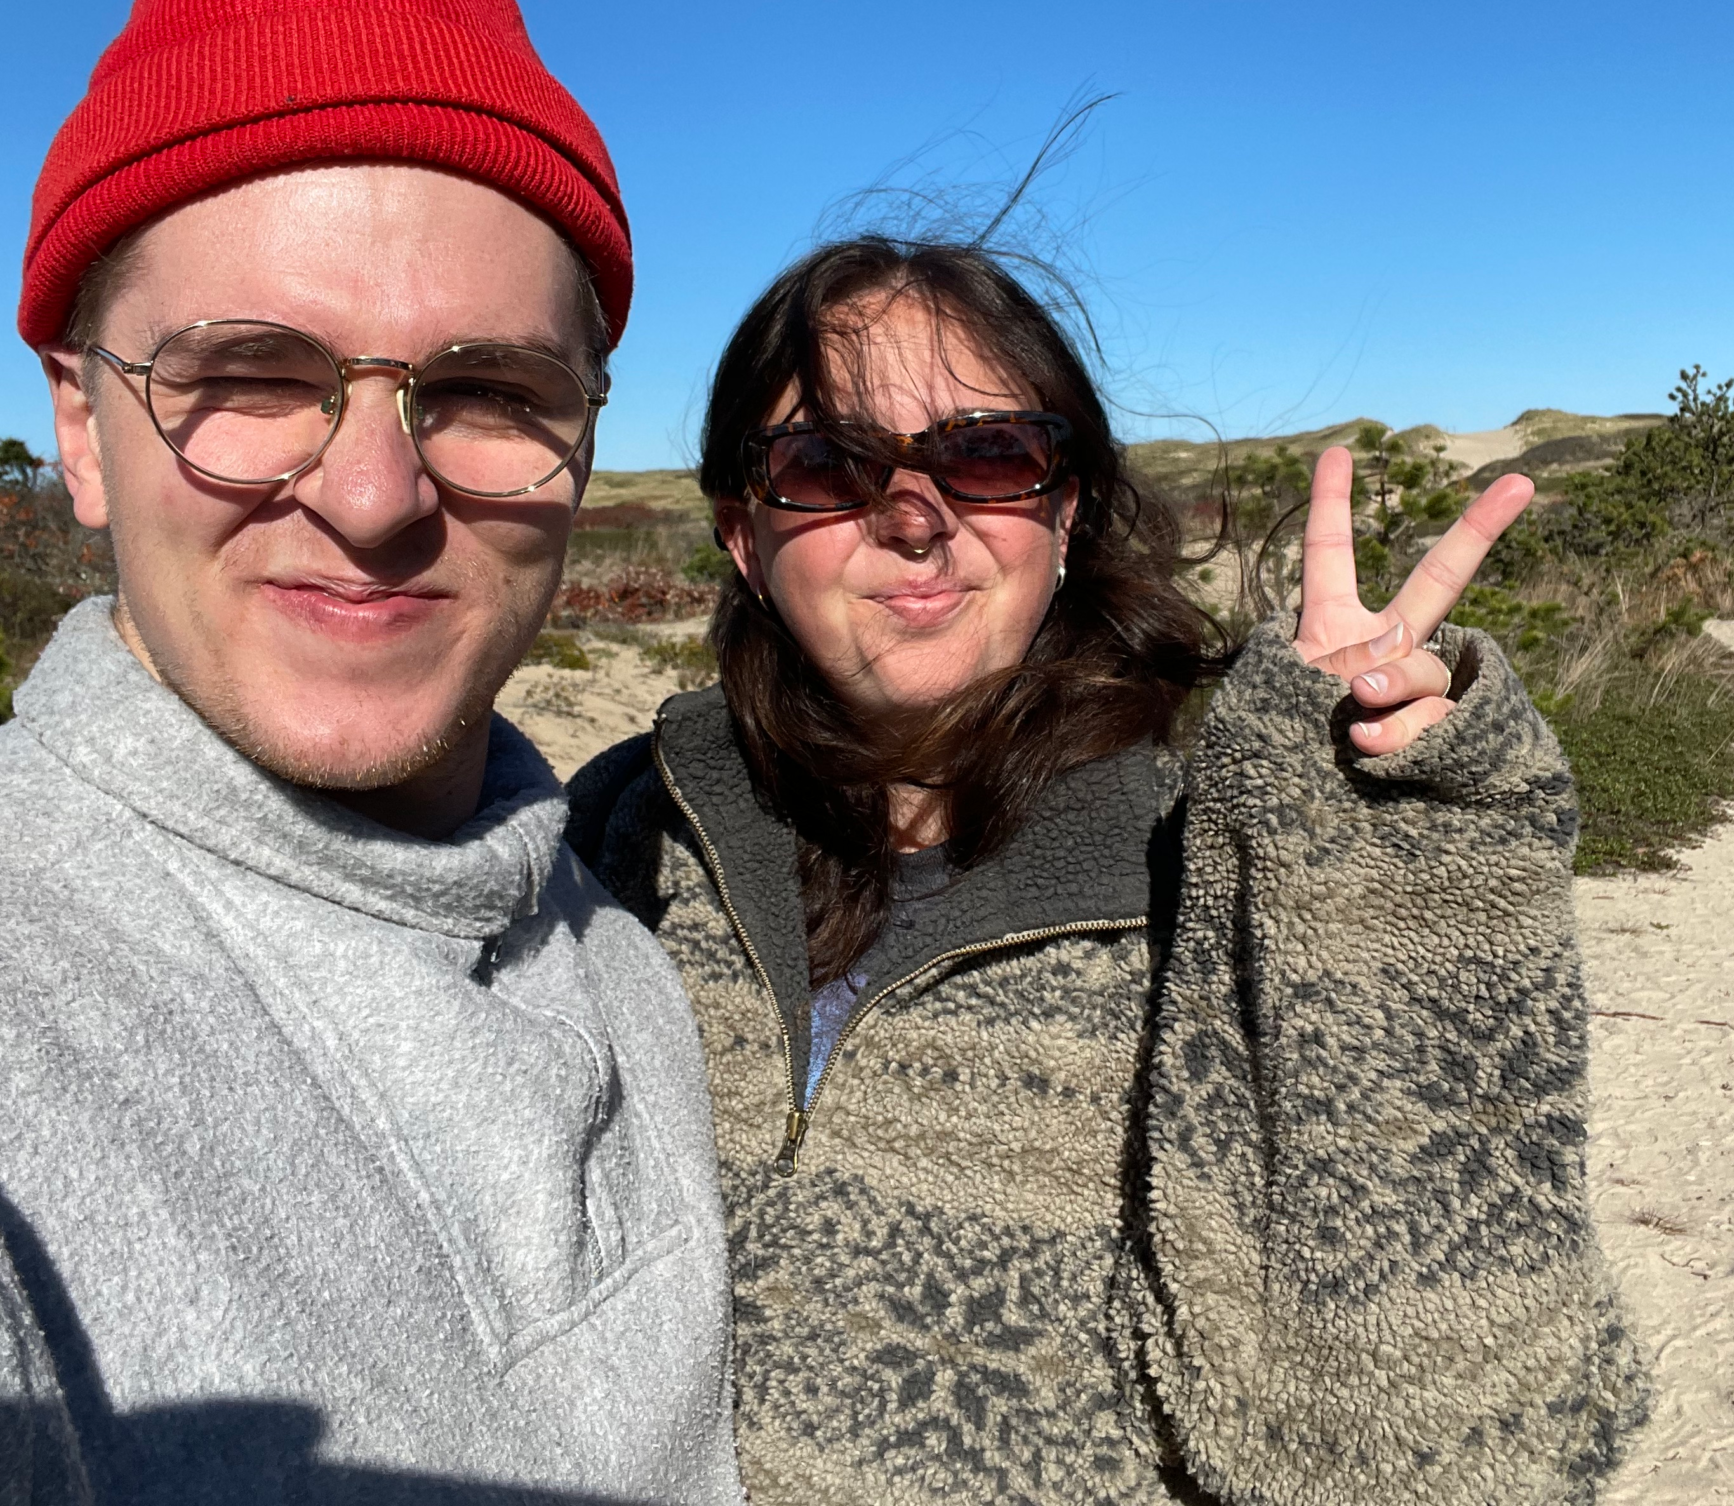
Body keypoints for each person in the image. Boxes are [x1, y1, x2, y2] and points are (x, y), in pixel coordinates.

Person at [0, 0, 743, 1504]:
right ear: (82, 430)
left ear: (583, 439)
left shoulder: (616, 926)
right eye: (249, 373)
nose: (374, 499)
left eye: (489, 392)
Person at [570, 236, 1646, 1505]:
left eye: (987, 453)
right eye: (828, 463)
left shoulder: (1210, 887)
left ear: (1065, 513)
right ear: (744, 536)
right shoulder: (618, 833)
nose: (914, 516)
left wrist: (1382, 872)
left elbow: (1449, 1452)